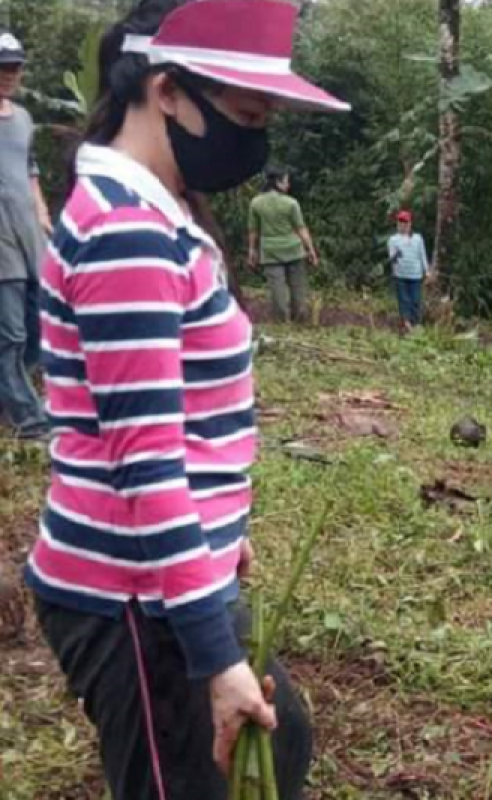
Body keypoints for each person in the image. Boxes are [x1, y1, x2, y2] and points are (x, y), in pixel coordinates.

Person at [23, 2, 348, 798]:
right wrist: (214, 654)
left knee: (285, 737)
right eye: (246, 114)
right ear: (166, 91)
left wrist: (220, 528)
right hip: (128, 590)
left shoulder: (150, 217)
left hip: (162, 573)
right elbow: (146, 461)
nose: (256, 137)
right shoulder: (129, 234)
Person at [0, 30, 51, 439]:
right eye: (3, 67)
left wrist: (44, 214)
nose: (9, 74)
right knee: (11, 334)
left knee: (38, 325)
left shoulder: (23, 119)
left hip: (29, 233)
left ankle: (10, 391)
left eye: (14, 67)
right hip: (1, 244)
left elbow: (29, 171)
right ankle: (28, 419)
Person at [248, 164, 318, 323]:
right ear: (277, 183)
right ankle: (300, 321)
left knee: (277, 291)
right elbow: (301, 229)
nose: (288, 184)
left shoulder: (256, 203)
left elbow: (253, 230)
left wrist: (252, 251)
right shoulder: (291, 203)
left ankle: (281, 323)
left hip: (270, 252)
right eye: (286, 181)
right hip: (294, 250)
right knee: (298, 289)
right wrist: (311, 250)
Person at [387, 209, 430, 331]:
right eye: (400, 222)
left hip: (415, 275)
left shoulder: (417, 238)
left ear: (410, 223)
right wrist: (394, 260)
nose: (403, 225)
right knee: (403, 299)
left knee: (415, 299)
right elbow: (391, 258)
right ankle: (406, 322)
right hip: (400, 275)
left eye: (405, 222)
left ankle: (415, 322)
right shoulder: (393, 239)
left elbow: (422, 255)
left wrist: (427, 271)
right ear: (397, 224)